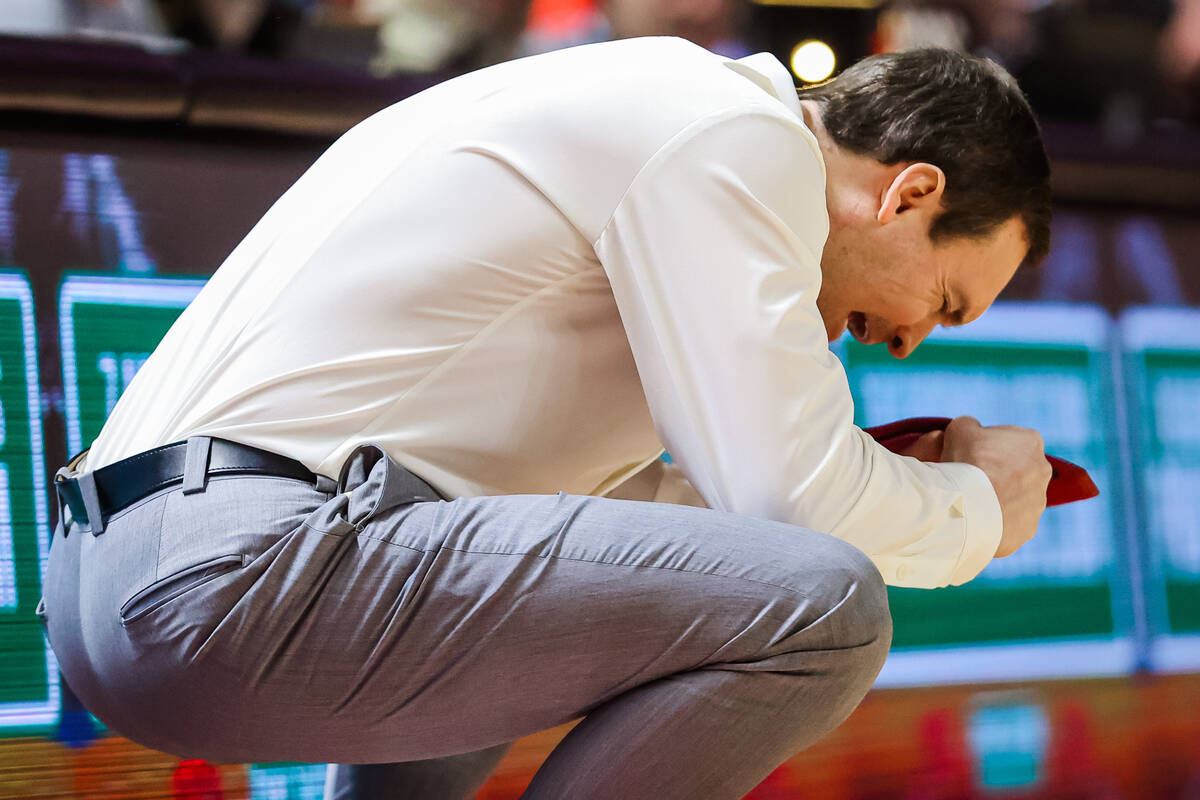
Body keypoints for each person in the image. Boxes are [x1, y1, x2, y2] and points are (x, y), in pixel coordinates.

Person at [41, 37, 1053, 800]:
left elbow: (668, 534)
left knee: (560, 604)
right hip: (236, 570)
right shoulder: (737, 133)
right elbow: (792, 500)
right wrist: (980, 506)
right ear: (910, 193)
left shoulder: (661, 114)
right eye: (949, 299)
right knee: (825, 614)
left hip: (130, 574)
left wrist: (868, 478)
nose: (914, 339)